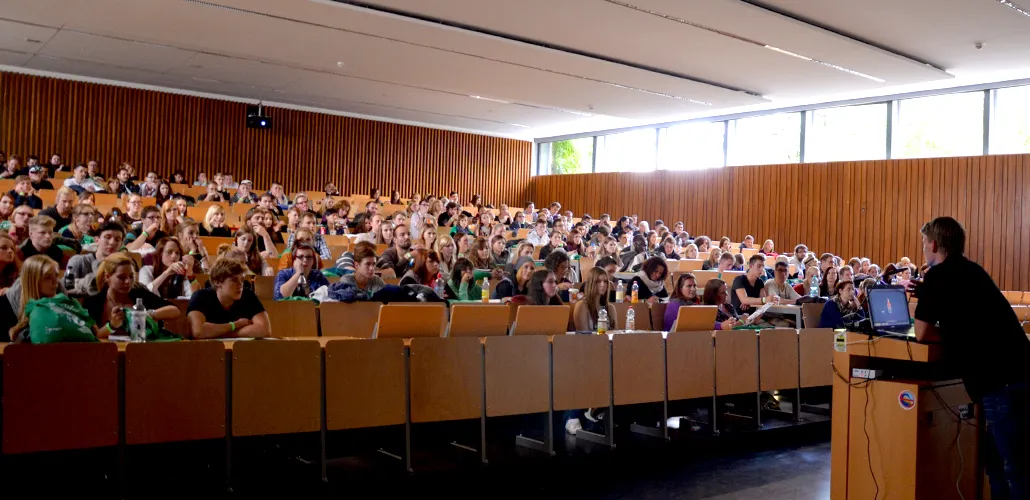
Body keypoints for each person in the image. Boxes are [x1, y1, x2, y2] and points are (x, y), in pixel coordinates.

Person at [910, 217, 1030, 498]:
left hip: (1000, 383)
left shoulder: (937, 276)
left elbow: (921, 333)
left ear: (934, 244)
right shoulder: (974, 271)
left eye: (924, 243)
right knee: (997, 463)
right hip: (1021, 370)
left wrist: (950, 333)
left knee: (1015, 469)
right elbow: (972, 317)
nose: (924, 248)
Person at [84, 253, 181, 339]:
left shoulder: (140, 294)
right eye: (121, 277)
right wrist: (112, 325)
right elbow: (95, 335)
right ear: (108, 277)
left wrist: (149, 314)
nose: (128, 282)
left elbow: (175, 310)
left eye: (131, 276)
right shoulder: (94, 301)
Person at [188, 257, 271, 339]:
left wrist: (219, 333)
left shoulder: (248, 295)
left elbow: (265, 329)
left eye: (242, 280)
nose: (240, 285)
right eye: (234, 280)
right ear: (217, 282)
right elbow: (198, 331)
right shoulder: (201, 296)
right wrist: (236, 325)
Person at [1, 255, 62, 342]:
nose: (56, 281)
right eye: (48, 277)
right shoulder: (4, 307)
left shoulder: (63, 303)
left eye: (56, 275)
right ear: (33, 280)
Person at [573, 267, 617, 332]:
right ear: (591, 283)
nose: (603, 285)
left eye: (605, 281)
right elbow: (583, 336)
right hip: (590, 341)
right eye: (598, 281)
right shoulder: (582, 305)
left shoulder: (610, 308)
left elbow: (615, 334)